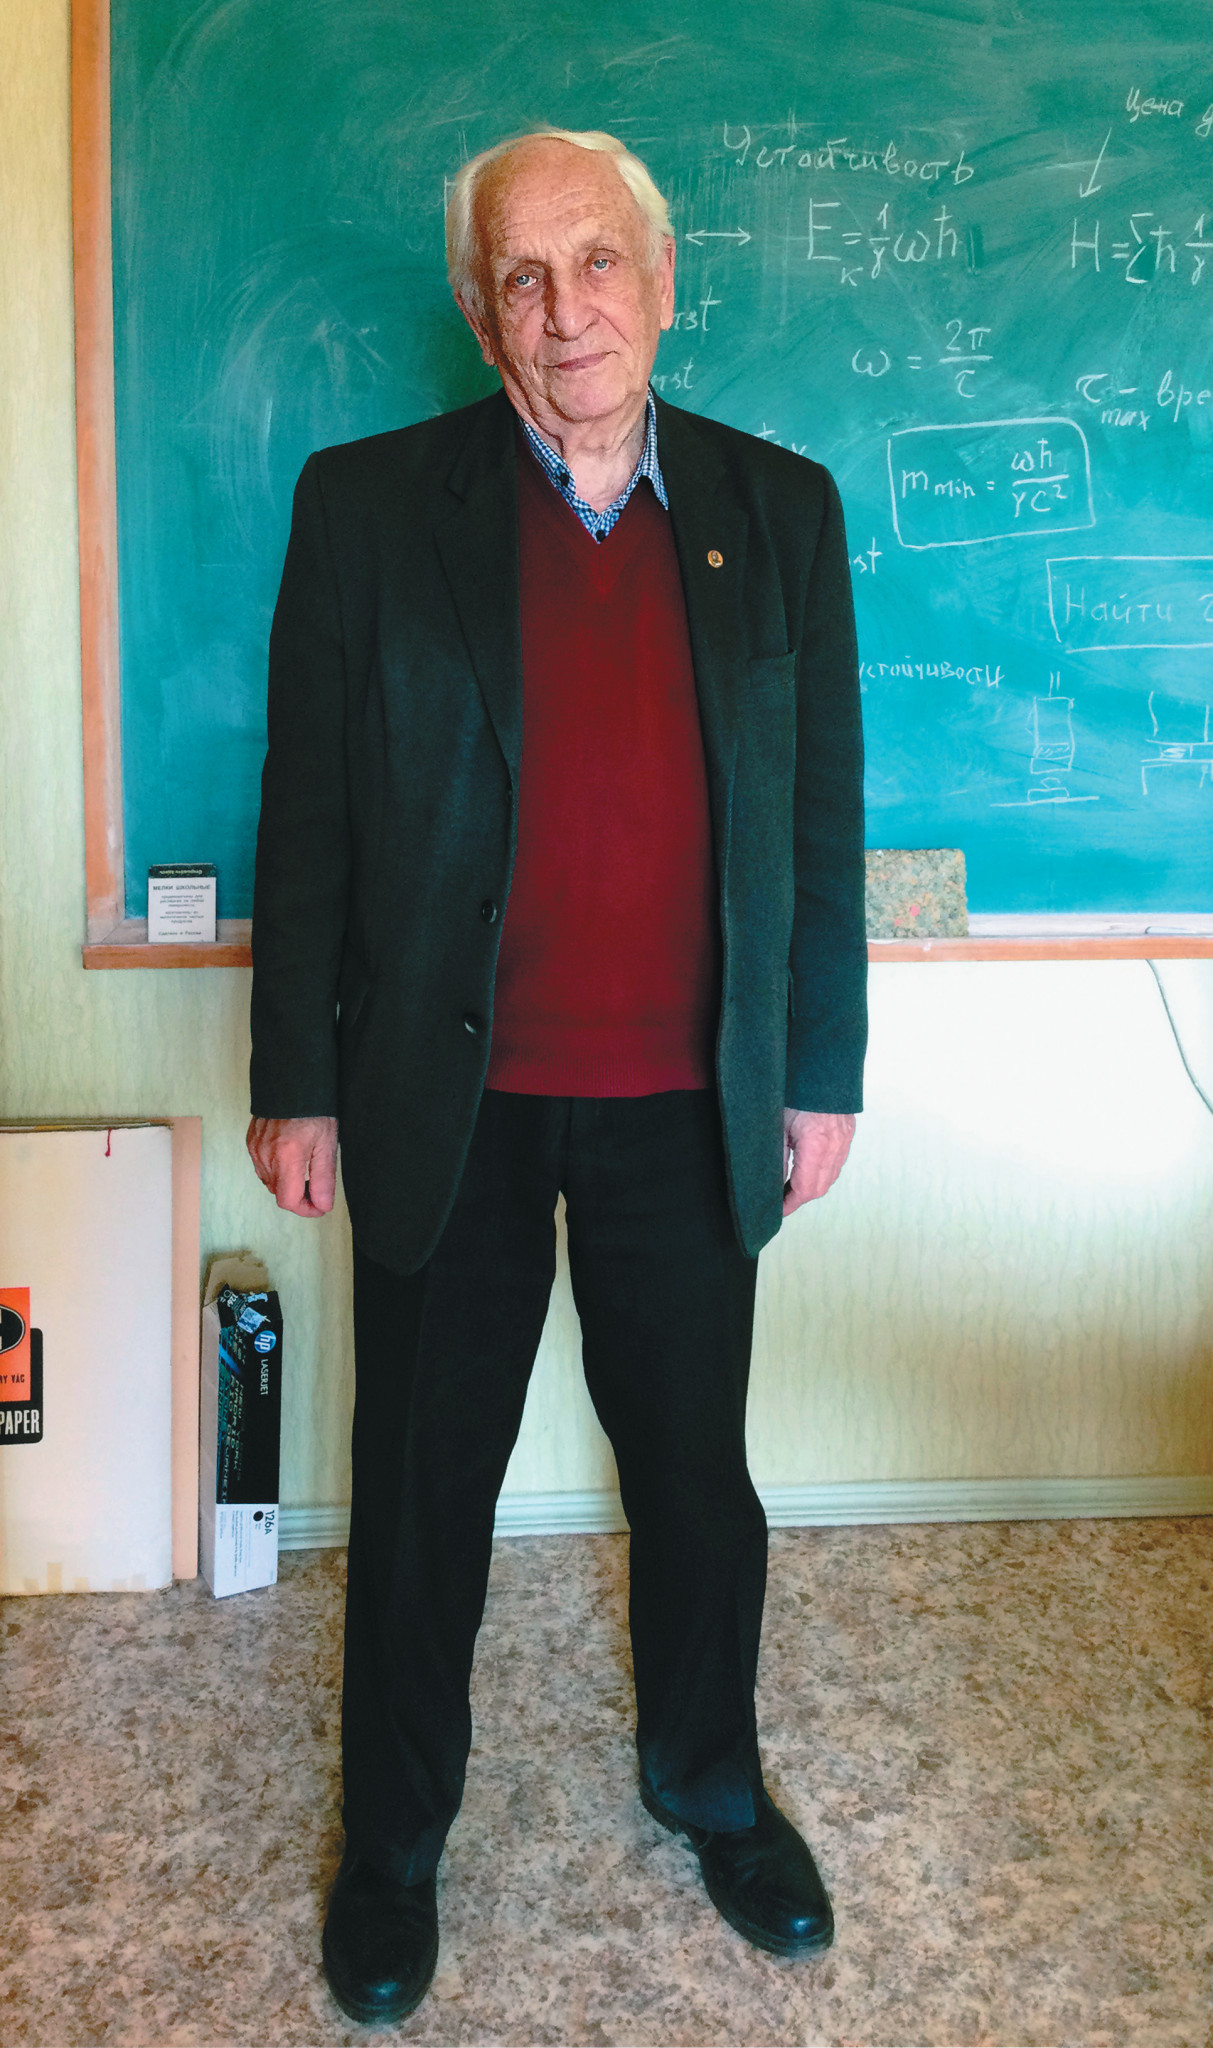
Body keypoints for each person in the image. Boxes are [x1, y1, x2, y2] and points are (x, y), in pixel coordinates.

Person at [247, 126, 866, 2028]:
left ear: (661, 284)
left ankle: (712, 1789)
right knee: (419, 1488)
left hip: (690, 1098)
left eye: (597, 263)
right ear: (476, 310)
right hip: (451, 1103)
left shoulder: (778, 507)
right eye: (521, 275)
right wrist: (296, 1078)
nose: (564, 309)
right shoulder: (368, 507)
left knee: (694, 1478)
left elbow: (816, 816)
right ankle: (392, 1845)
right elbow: (308, 812)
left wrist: (819, 1066)